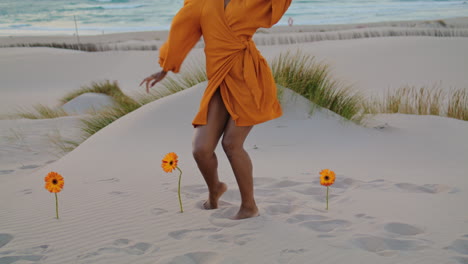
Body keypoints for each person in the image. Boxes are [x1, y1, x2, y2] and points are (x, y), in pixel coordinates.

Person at [140, 0, 292, 219]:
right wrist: (165, 68)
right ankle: (215, 188)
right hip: (219, 80)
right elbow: (182, 30)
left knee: (231, 144)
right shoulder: (201, 3)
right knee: (200, 149)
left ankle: (249, 206)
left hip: (249, 78)